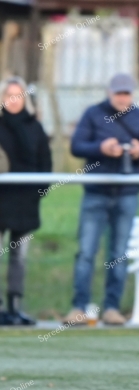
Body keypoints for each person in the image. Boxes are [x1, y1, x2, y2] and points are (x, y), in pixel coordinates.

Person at [64, 73, 139, 326]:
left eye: (126, 93)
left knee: (119, 253)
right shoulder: (93, 114)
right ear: (109, 93)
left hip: (127, 195)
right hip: (96, 192)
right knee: (86, 251)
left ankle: (112, 308)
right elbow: (76, 146)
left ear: (132, 94)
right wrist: (101, 148)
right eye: (118, 93)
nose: (122, 98)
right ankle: (79, 307)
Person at [0, 76, 51, 326]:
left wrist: (37, 194)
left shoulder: (35, 128)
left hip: (25, 204)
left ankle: (15, 306)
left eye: (18, 96)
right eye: (9, 96)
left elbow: (45, 167)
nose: (13, 101)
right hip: (1, 201)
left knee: (18, 258)